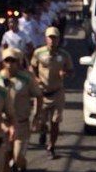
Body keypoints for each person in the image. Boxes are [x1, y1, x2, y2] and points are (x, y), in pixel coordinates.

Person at [0, 48, 42, 172]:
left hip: (21, 123)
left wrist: (37, 116)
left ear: (18, 62)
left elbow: (38, 96)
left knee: (18, 155)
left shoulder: (26, 79)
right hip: (3, 125)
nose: (10, 64)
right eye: (7, 60)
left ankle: (22, 166)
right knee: (5, 158)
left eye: (13, 61)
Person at [31, 27, 73, 158]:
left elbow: (71, 70)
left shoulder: (64, 55)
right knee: (41, 122)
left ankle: (51, 146)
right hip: (42, 94)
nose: (52, 40)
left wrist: (65, 73)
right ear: (46, 38)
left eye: (55, 38)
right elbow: (32, 66)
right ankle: (43, 131)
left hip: (57, 93)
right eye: (50, 37)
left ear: (58, 39)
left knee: (55, 122)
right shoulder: (38, 53)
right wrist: (36, 78)